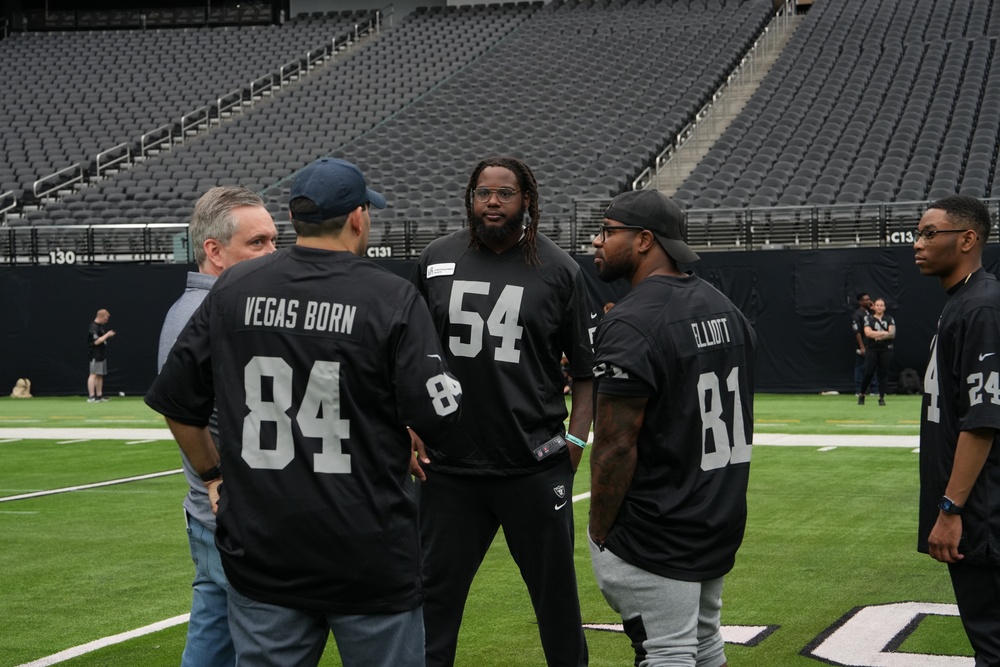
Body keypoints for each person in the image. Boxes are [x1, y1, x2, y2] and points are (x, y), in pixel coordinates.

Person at [146, 157, 462, 667]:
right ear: (359, 218)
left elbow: (176, 403)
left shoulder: (233, 288)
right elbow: (440, 414)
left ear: (295, 221)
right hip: (367, 547)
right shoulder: (390, 295)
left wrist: (212, 474)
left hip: (266, 548)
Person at [411, 155, 595, 667]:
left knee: (557, 603)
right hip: (448, 470)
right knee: (431, 606)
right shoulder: (434, 259)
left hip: (533, 464)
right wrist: (407, 424)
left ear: (527, 201)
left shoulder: (560, 270)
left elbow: (585, 372)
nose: (492, 202)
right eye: (482, 193)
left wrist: (575, 442)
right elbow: (404, 355)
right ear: (470, 198)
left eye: (504, 193)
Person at [588, 189, 756, 667]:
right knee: (704, 643)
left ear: (644, 240)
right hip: (717, 513)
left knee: (666, 652)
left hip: (659, 524)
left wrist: (600, 529)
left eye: (607, 231)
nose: (596, 242)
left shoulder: (633, 321)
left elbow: (616, 446)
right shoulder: (726, 308)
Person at [156, 185, 277, 667]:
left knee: (214, 636)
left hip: (221, 516)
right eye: (258, 243)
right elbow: (179, 409)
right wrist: (214, 478)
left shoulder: (223, 305)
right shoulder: (204, 315)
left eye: (273, 239)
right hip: (232, 516)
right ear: (214, 251)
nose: (273, 252)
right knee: (268, 643)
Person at [915, 194, 1000, 666]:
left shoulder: (981, 306)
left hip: (981, 511)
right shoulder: (962, 301)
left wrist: (951, 508)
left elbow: (984, 420)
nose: (918, 243)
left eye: (930, 233)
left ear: (967, 239)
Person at [858, 297, 895, 406]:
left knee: (883, 373)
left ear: (884, 307)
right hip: (872, 348)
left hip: (886, 349)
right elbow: (868, 333)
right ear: (874, 306)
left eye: (881, 305)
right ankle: (862, 394)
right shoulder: (868, 319)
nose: (879, 307)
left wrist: (878, 336)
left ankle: (881, 397)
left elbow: (892, 334)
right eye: (877, 305)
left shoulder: (889, 319)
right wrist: (884, 333)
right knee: (868, 372)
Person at [852, 292, 879, 396]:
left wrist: (873, 309)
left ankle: (874, 389)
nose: (868, 301)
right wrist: (862, 347)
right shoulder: (857, 314)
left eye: (869, 299)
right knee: (860, 367)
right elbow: (857, 332)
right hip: (863, 345)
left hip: (871, 344)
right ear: (860, 302)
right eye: (866, 300)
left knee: (872, 367)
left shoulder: (869, 314)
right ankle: (859, 390)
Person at [87, 308, 115, 402]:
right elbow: (96, 341)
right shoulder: (93, 327)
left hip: (102, 354)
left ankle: (99, 395)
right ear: (101, 317)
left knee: (100, 375)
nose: (106, 321)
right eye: (106, 318)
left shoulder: (99, 326)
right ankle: (91, 396)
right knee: (93, 374)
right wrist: (107, 335)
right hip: (95, 355)